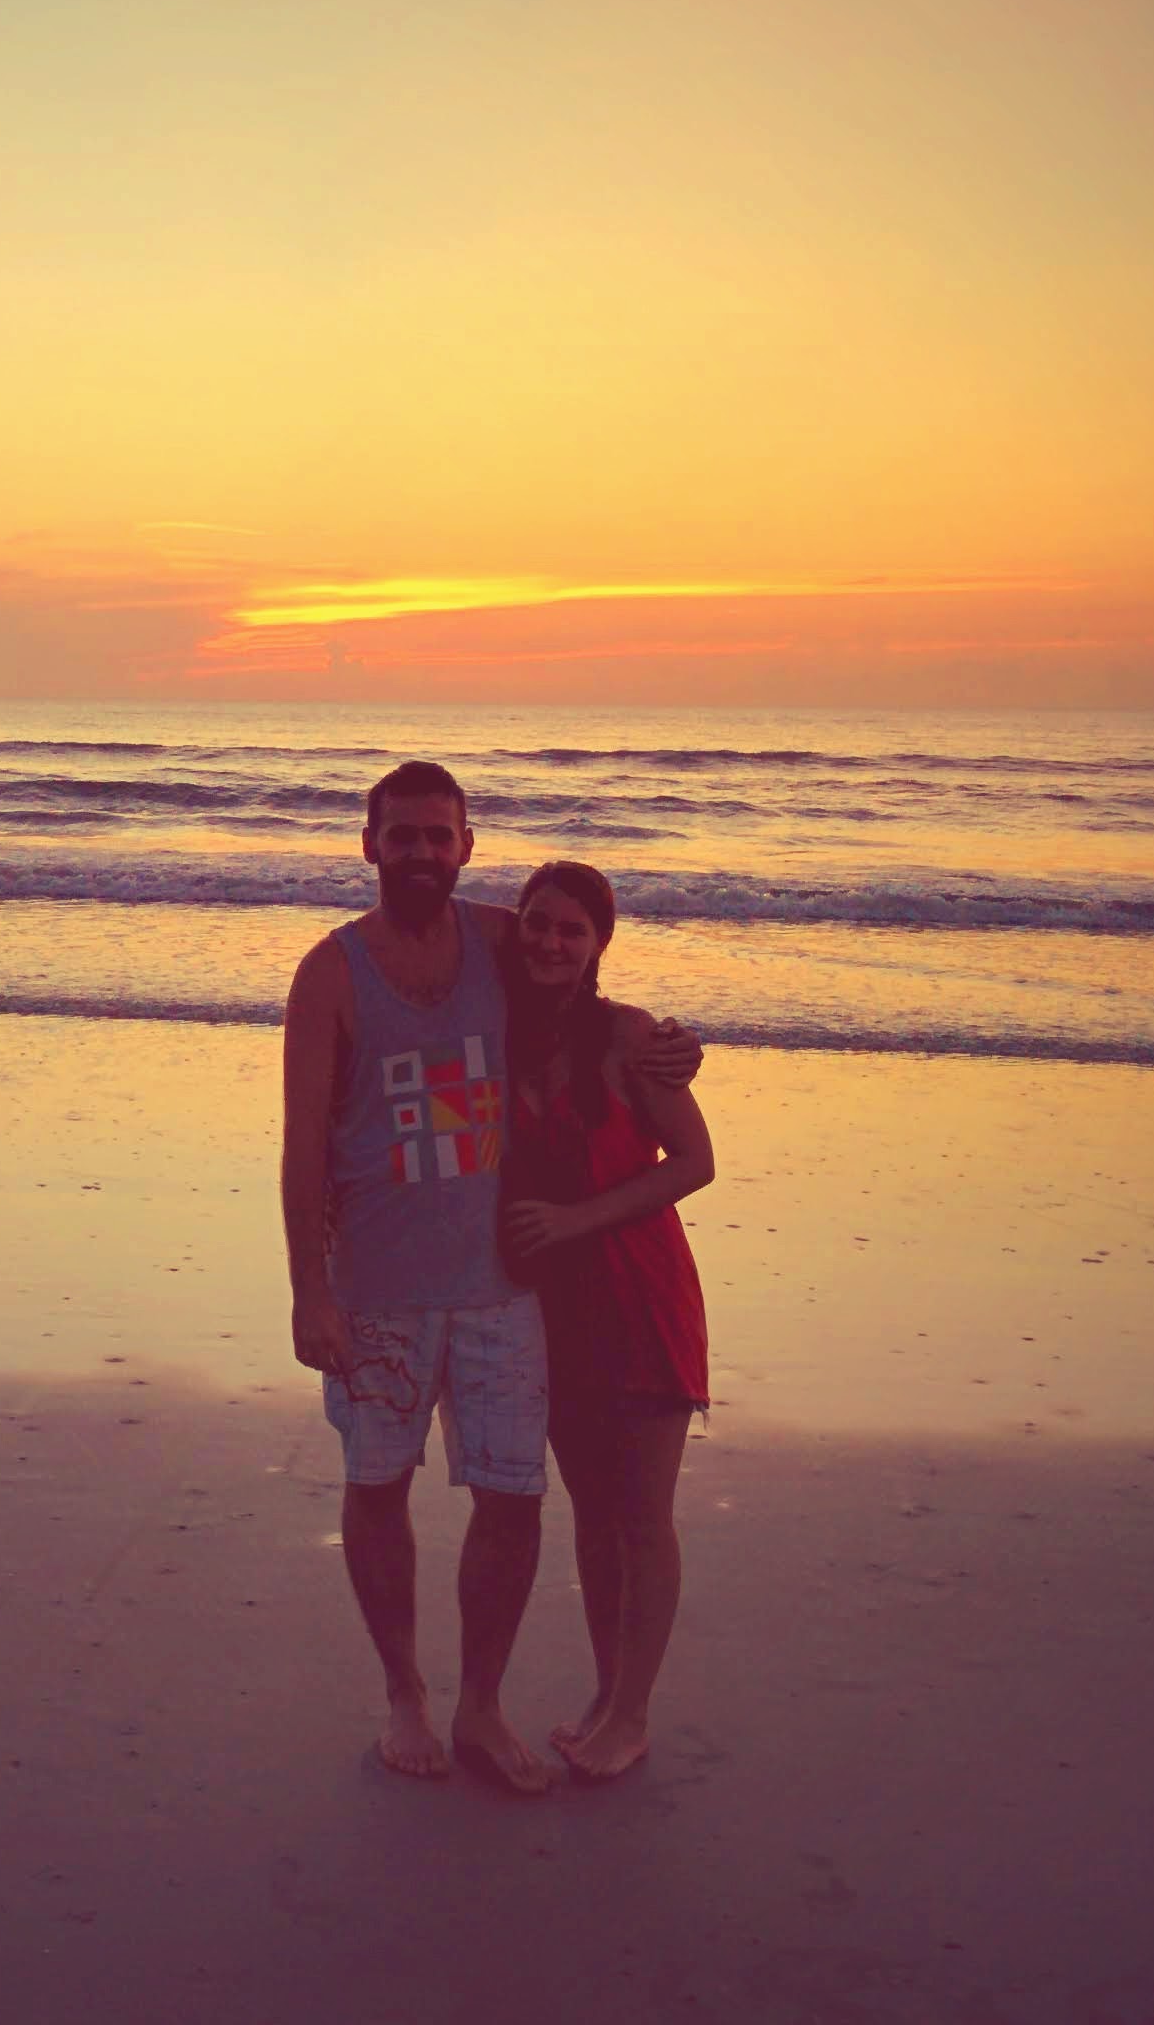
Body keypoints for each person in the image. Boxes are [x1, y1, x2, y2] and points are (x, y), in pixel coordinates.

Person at [281, 762, 701, 1791]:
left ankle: (479, 1704)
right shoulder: (329, 971)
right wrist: (309, 1289)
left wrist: (672, 1046)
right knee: (376, 1487)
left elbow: (586, 973)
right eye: (401, 835)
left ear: (467, 845)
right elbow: (299, 1147)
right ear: (366, 842)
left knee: (513, 1501)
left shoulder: (498, 938)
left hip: (502, 1291)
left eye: (439, 835)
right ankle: (403, 1697)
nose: (419, 851)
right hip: (375, 1285)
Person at [496, 859, 714, 1785]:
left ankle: (633, 1714)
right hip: (552, 1304)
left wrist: (577, 1220)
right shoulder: (495, 1034)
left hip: (638, 1291)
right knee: (590, 1515)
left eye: (571, 931)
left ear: (598, 948)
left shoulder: (632, 1040)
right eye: (536, 924)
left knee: (642, 1519)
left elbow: (695, 1161)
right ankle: (604, 1690)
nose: (550, 942)